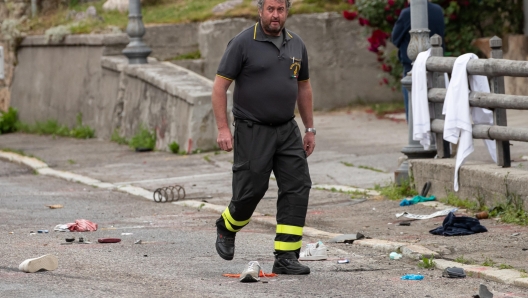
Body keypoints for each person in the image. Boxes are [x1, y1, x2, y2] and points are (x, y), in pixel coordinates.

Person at [211, 0, 315, 275]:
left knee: (298, 185)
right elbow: (220, 87)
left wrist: (310, 128)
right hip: (252, 128)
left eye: (280, 9)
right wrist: (223, 128)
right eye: (270, 9)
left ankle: (286, 256)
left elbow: (303, 87)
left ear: (286, 12)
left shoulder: (296, 44)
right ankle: (227, 225)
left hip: (287, 128)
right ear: (260, 11)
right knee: (251, 190)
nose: (275, 15)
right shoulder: (243, 42)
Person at [391, 0, 445, 121]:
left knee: (414, 110)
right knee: (437, 107)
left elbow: (395, 38)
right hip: (436, 62)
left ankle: (416, 138)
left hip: (412, 66)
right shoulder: (438, 10)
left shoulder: (407, 13)